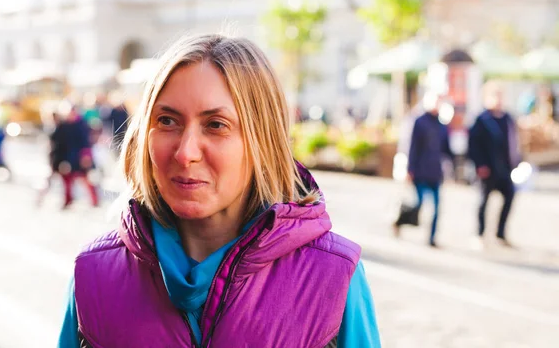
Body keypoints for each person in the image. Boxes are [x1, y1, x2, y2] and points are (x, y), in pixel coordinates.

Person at [57, 34, 380, 347]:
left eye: (216, 125)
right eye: (167, 121)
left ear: (262, 141)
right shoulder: (94, 274)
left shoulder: (334, 276)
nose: (185, 152)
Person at [394, 92, 454, 248]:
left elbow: (446, 149)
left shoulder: (442, 125)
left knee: (436, 207)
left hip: (435, 172)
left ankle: (432, 238)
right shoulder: (419, 122)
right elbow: (412, 147)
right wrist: (409, 169)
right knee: (418, 203)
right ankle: (400, 221)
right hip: (420, 172)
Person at [468, 82, 520, 247]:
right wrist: (480, 165)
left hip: (505, 168)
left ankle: (500, 233)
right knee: (483, 201)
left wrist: (516, 161)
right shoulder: (481, 119)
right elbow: (473, 145)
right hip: (487, 169)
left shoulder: (507, 118)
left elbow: (513, 142)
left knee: (509, 198)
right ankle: (480, 233)